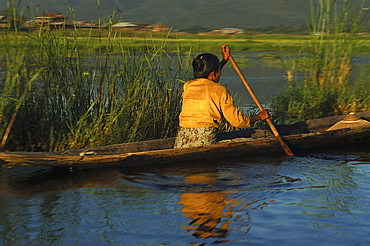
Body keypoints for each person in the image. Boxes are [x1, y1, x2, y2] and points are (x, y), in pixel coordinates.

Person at [174, 43, 269, 149]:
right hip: (204, 141)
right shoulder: (220, 90)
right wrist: (259, 116)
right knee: (248, 141)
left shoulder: (188, 86)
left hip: (181, 141)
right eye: (219, 71)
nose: (220, 73)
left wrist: (224, 60)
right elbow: (237, 121)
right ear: (214, 74)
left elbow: (208, 77)